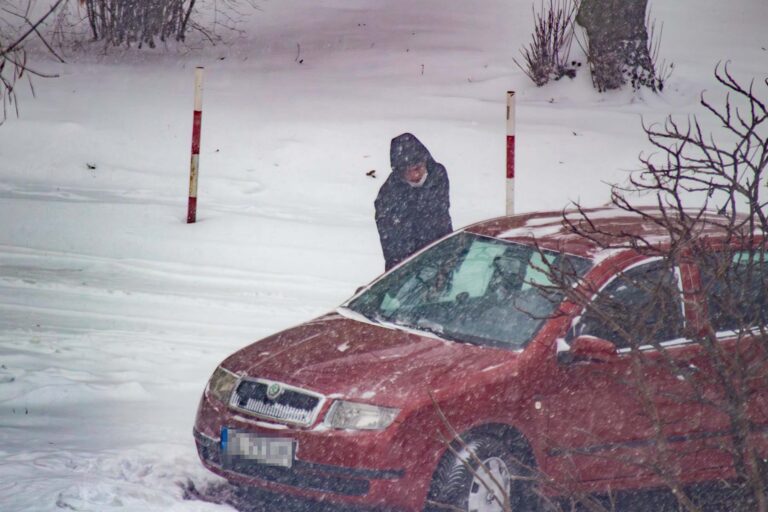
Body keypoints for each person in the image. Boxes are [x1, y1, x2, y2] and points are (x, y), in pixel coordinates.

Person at [375, 133, 453, 271]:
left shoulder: (438, 175)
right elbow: (394, 246)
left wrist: (449, 255)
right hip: (409, 269)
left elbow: (442, 217)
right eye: (408, 171)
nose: (415, 175)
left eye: (417, 168)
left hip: (443, 257)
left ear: (425, 162)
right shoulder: (388, 197)